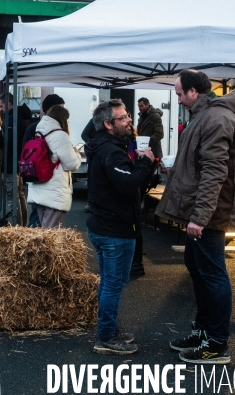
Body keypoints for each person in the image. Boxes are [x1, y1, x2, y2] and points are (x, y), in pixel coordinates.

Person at [156, 69, 235, 365]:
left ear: (194, 92)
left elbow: (214, 172)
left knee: (212, 273)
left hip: (210, 212)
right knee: (198, 267)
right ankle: (204, 332)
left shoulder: (216, 118)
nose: (179, 99)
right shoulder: (206, 115)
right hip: (203, 210)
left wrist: (199, 217)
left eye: (180, 94)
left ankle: (216, 344)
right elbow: (200, 166)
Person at [85, 100, 154, 355]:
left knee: (109, 282)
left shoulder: (108, 147)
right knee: (113, 284)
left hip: (106, 225)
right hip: (113, 229)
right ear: (108, 124)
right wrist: (145, 162)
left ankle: (109, 329)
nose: (129, 121)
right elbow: (128, 184)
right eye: (123, 118)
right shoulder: (110, 151)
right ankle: (104, 337)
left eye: (127, 116)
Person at [26, 106, 81, 228]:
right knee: (53, 236)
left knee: (44, 231)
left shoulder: (39, 132)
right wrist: (76, 153)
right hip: (54, 192)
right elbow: (71, 164)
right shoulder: (60, 136)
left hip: (38, 188)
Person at [21, 94, 65, 227]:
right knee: (42, 217)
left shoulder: (34, 128)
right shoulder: (51, 129)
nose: (63, 112)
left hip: (36, 177)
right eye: (60, 108)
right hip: (45, 177)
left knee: (40, 214)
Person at [0, 92, 28, 226]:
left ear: (8, 104)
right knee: (20, 193)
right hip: (19, 161)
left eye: (1, 106)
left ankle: (18, 225)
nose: (0, 109)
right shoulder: (22, 117)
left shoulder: (11, 119)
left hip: (11, 162)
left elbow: (8, 142)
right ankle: (23, 223)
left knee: (12, 195)